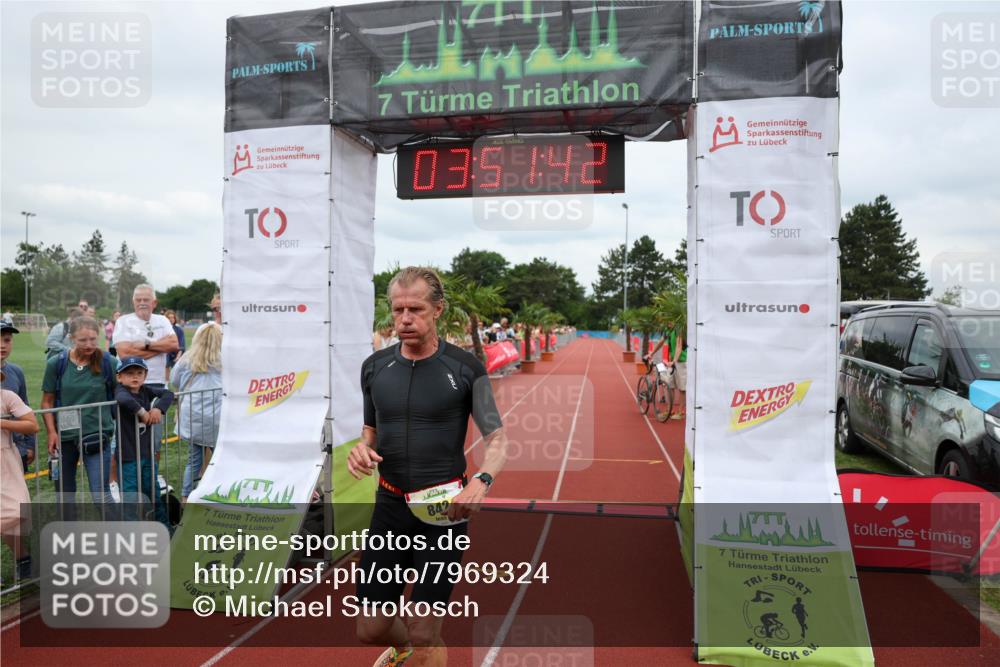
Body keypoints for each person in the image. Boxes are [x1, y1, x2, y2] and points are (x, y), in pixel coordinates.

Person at [348, 267, 508, 667]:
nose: (404, 319)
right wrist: (360, 449)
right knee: (370, 629)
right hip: (390, 507)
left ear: (437, 309)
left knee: (423, 628)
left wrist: (481, 482)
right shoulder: (374, 367)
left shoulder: (465, 368)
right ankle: (402, 651)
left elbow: (499, 441)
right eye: (397, 309)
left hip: (443, 512)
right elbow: (369, 431)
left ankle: (421, 650)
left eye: (415, 309)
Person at [41, 317, 117, 506]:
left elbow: (122, 395)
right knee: (64, 496)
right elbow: (47, 401)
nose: (89, 344)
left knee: (101, 495)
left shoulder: (109, 362)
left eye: (93, 339)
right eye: (83, 340)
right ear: (71, 338)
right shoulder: (56, 363)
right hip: (64, 438)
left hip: (97, 436)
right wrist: (51, 432)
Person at [112, 284, 179, 456]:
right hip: (129, 387)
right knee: (122, 438)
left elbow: (174, 345)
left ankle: (153, 476)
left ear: (154, 302)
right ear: (133, 301)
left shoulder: (162, 320)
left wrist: (147, 344)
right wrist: (160, 347)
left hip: (156, 383)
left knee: (154, 438)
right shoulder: (123, 321)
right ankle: (114, 481)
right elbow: (124, 353)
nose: (142, 303)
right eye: (138, 299)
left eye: (146, 300)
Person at [114, 357, 174, 530]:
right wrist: (142, 412)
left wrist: (157, 409)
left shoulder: (146, 390)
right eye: (129, 373)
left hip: (147, 455)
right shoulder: (120, 390)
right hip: (128, 456)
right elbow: (123, 399)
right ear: (120, 377)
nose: (135, 377)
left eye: (139, 373)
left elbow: (168, 394)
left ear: (145, 375)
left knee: (153, 492)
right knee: (130, 497)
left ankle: (164, 528)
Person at [169, 323, 222, 501]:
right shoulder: (225, 360)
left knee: (193, 460)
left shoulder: (187, 359)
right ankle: (218, 493)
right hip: (218, 417)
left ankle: (186, 498)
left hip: (193, 416)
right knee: (220, 459)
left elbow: (174, 380)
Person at [1, 369, 39, 582]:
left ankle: (23, 558)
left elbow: (32, 425)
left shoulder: (7, 397)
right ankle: (23, 561)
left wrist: (2, 422)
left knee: (16, 509)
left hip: (6, 460)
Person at [1, 319, 36, 471]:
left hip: (16, 447)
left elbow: (26, 409)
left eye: (7, 340)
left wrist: (29, 445)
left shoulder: (16, 372)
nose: (2, 345)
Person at [643, 321, 687, 420]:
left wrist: (674, 361)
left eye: (669, 320)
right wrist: (651, 353)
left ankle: (680, 412)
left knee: (682, 388)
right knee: (669, 385)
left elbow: (679, 346)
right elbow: (660, 342)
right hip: (672, 362)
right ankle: (669, 410)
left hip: (682, 361)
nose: (667, 322)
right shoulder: (668, 330)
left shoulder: (678, 329)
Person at [163, 309, 186, 383]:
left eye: (172, 317)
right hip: (165, 353)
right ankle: (166, 384)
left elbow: (182, 344)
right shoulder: (162, 329)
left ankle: (177, 386)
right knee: (166, 366)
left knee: (178, 370)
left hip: (176, 353)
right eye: (169, 318)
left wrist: (178, 356)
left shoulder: (179, 330)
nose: (171, 319)